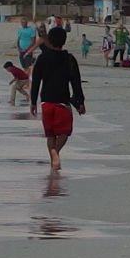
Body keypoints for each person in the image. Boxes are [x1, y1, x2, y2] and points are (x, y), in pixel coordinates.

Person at [27, 25, 86, 173]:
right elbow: (76, 83)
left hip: (46, 102)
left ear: (50, 40)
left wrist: (33, 102)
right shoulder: (70, 59)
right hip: (62, 102)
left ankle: (54, 161)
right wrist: (80, 102)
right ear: (64, 41)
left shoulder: (42, 58)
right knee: (65, 132)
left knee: (51, 134)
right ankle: (55, 152)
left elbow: (36, 82)